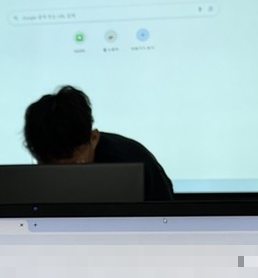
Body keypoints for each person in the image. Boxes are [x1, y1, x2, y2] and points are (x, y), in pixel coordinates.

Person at [22, 85, 173, 200]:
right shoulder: (30, 180)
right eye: (53, 169)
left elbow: (167, 220)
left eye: (74, 165)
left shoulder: (134, 160)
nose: (65, 179)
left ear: (94, 138)